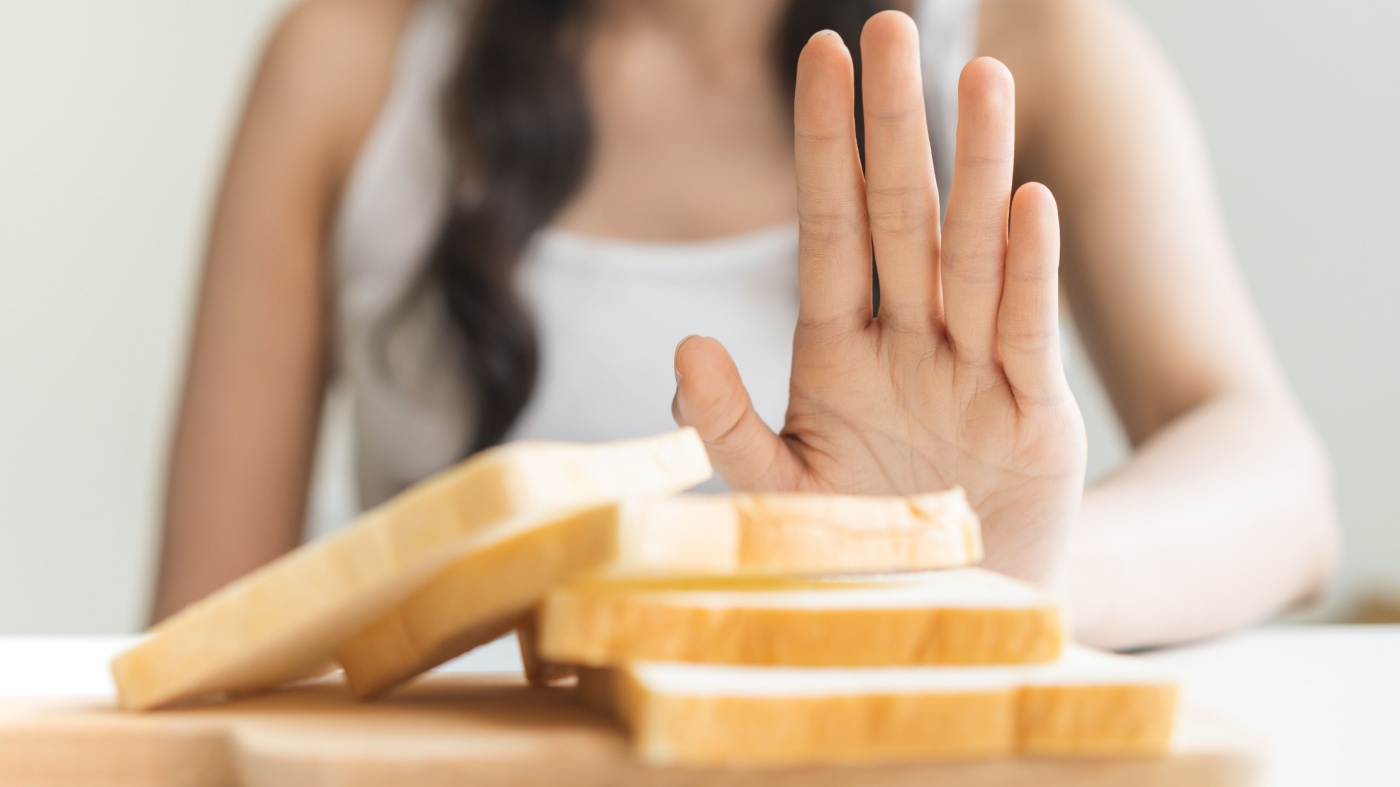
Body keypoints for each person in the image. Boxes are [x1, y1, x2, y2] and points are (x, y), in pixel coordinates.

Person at [152, 0, 1338, 649]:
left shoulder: (1032, 46)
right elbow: (199, 642)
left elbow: (1280, 489)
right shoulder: (345, 65)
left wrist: (970, 571)